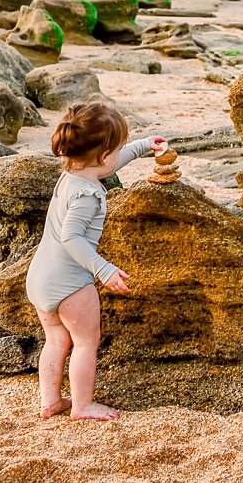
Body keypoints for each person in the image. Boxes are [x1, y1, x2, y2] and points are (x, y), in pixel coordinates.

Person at [25, 100, 163, 419]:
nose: (118, 155)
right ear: (103, 156)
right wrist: (104, 269)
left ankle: (50, 401)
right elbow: (72, 237)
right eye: (117, 149)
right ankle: (83, 405)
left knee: (56, 339)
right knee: (86, 342)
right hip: (71, 283)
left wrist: (143, 145)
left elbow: (107, 164)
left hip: (40, 277)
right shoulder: (88, 195)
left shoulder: (71, 175)